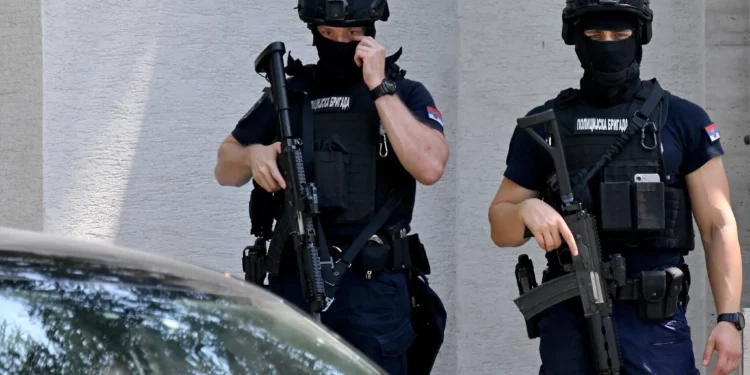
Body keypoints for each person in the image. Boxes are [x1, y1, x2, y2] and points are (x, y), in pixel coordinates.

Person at [488, 1, 743, 374]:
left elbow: (718, 226)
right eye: (594, 35)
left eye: (620, 35)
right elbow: (500, 226)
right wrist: (525, 211)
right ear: (575, 40)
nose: (607, 44)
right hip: (570, 321)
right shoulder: (545, 125)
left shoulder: (683, 121)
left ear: (639, 38)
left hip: (655, 322)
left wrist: (729, 318)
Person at [214, 1, 449, 374]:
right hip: (294, 283)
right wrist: (253, 156)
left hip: (374, 292)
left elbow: (431, 166)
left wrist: (379, 87)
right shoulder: (289, 95)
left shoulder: (404, 92)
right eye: (328, 34)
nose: (340, 42)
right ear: (313, 31)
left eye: (353, 34)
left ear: (371, 31)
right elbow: (225, 167)